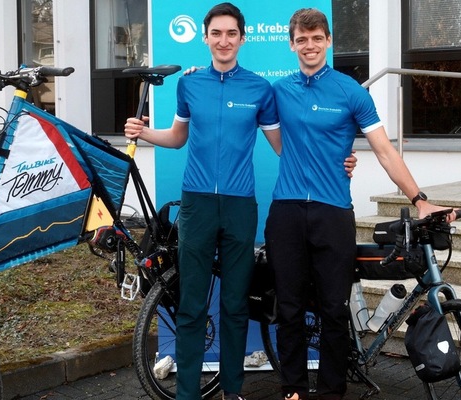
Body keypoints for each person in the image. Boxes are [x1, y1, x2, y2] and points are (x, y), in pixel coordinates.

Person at [124, 3, 345, 399]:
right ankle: (188, 393)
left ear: (242, 39)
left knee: (235, 305)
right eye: (217, 33)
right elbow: (178, 138)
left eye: (231, 34)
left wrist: (340, 157)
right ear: (205, 37)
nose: (224, 41)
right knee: (191, 304)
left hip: (241, 206)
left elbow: (287, 147)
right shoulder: (189, 85)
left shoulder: (260, 89)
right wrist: (144, 132)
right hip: (197, 205)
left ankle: (232, 392)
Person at [264, 8, 455, 400]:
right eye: (302, 39)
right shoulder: (278, 91)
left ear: (329, 41)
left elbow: (385, 151)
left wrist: (419, 199)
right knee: (290, 308)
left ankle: (332, 391)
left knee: (334, 308)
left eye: (317, 38)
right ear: (292, 44)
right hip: (285, 211)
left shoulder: (351, 91)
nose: (310, 45)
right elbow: (264, 127)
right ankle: (293, 389)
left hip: (333, 211)